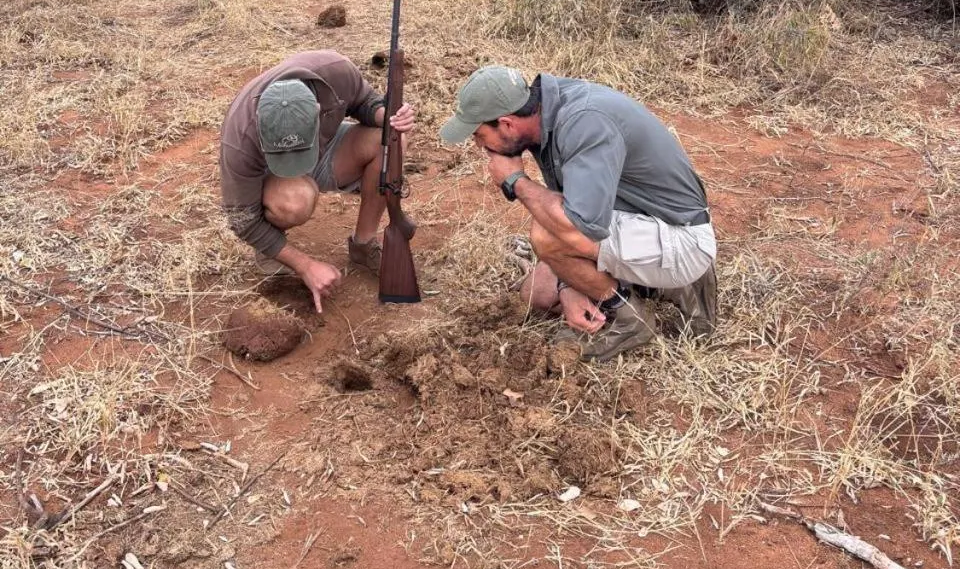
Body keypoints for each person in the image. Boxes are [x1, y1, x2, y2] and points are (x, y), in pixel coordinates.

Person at [440, 66, 716, 361]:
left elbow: (577, 227)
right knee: (539, 293)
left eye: (479, 135)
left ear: (507, 124)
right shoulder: (545, 113)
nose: (479, 145)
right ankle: (650, 282)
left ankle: (630, 320)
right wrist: (566, 286)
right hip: (633, 219)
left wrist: (516, 181)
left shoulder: (584, 122)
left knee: (546, 236)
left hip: (680, 237)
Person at [220, 50, 415, 313]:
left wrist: (388, 117)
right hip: (274, 179)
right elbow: (241, 219)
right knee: (294, 201)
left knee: (391, 143)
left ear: (318, 110)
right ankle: (271, 247)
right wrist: (305, 265)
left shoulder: (336, 72)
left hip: (325, 148)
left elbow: (366, 103)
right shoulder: (240, 136)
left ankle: (363, 245)